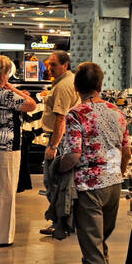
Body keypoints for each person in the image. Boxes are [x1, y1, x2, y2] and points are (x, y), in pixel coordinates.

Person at [60, 61, 132, 264]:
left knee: (92, 251)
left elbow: (73, 155)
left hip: (89, 188)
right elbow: (125, 150)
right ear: (101, 85)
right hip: (114, 186)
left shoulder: (76, 114)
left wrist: (56, 167)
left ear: (77, 87)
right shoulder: (117, 112)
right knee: (101, 247)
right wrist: (119, 174)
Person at [0, 55, 37, 247]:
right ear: (4, 73)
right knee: (5, 191)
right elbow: (31, 104)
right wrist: (11, 87)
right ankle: (2, 236)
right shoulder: (3, 93)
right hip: (6, 146)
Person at [39, 51, 80, 237]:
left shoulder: (63, 86)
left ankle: (59, 223)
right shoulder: (68, 81)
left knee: (53, 181)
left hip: (60, 139)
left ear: (65, 65)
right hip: (65, 138)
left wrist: (53, 146)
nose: (50, 68)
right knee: (62, 182)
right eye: (49, 64)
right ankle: (64, 221)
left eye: (54, 64)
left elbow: (60, 119)